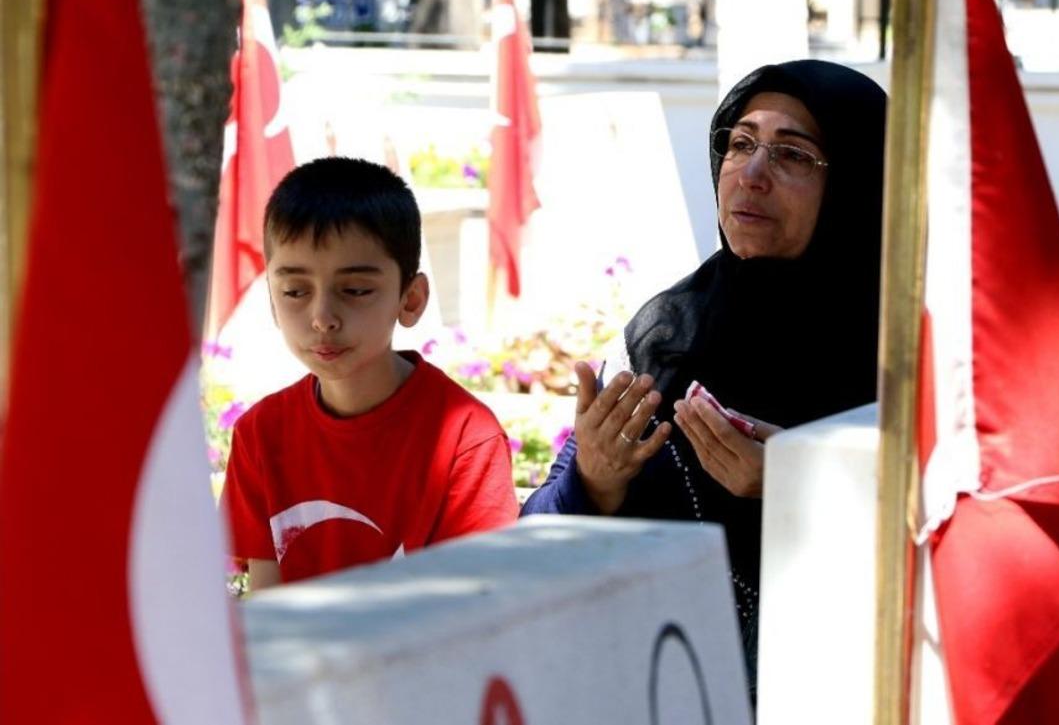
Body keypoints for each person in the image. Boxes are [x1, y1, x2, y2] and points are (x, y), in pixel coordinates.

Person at [522, 60, 887, 691]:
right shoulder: (664, 335)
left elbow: (969, 556)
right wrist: (594, 483)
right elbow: (538, 538)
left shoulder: (911, 356)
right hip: (660, 684)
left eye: (793, 155)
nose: (750, 175)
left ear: (859, 181)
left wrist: (806, 482)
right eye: (740, 144)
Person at [223, 157, 518, 590]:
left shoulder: (466, 439)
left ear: (411, 299)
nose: (322, 317)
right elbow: (268, 611)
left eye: (356, 290)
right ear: (271, 298)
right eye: (295, 291)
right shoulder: (259, 434)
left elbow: (471, 609)